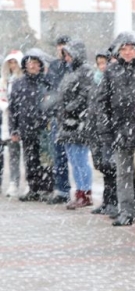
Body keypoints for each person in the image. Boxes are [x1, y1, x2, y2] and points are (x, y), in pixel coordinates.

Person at [99, 32, 135, 226]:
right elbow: (103, 102)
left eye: (131, 48)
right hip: (120, 129)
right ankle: (126, 211)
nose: (127, 52)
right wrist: (107, 128)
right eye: (123, 49)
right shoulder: (111, 71)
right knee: (123, 173)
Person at [9, 49, 55, 202]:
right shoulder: (18, 83)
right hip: (26, 127)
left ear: (41, 65)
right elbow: (13, 108)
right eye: (30, 63)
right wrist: (13, 129)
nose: (33, 66)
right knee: (30, 160)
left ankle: (46, 189)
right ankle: (33, 188)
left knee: (46, 160)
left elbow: (53, 102)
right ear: (25, 65)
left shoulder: (46, 81)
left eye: (36, 63)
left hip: (44, 128)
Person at [56, 40, 96, 209]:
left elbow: (85, 96)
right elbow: (62, 94)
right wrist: (61, 109)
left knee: (80, 159)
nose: (66, 58)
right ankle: (79, 191)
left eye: (69, 54)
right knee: (73, 158)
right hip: (67, 122)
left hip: (79, 121)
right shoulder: (69, 73)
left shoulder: (85, 71)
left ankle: (85, 193)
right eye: (65, 55)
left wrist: (69, 108)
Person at [87, 50, 117, 217]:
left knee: (111, 167)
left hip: (108, 131)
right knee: (103, 167)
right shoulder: (95, 80)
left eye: (104, 62)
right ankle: (107, 201)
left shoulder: (112, 80)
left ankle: (113, 202)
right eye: (99, 63)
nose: (102, 66)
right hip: (96, 129)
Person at [46, 35, 72, 204]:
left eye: (64, 45)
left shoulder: (73, 65)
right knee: (58, 154)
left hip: (71, 116)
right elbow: (49, 88)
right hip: (57, 115)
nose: (61, 49)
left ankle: (83, 192)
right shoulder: (54, 66)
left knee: (76, 156)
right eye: (59, 45)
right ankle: (62, 189)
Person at [1, 50, 24, 197]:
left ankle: (14, 182)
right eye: (11, 63)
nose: (13, 65)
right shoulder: (4, 81)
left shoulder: (22, 81)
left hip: (15, 121)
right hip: (3, 120)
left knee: (15, 153)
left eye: (15, 62)